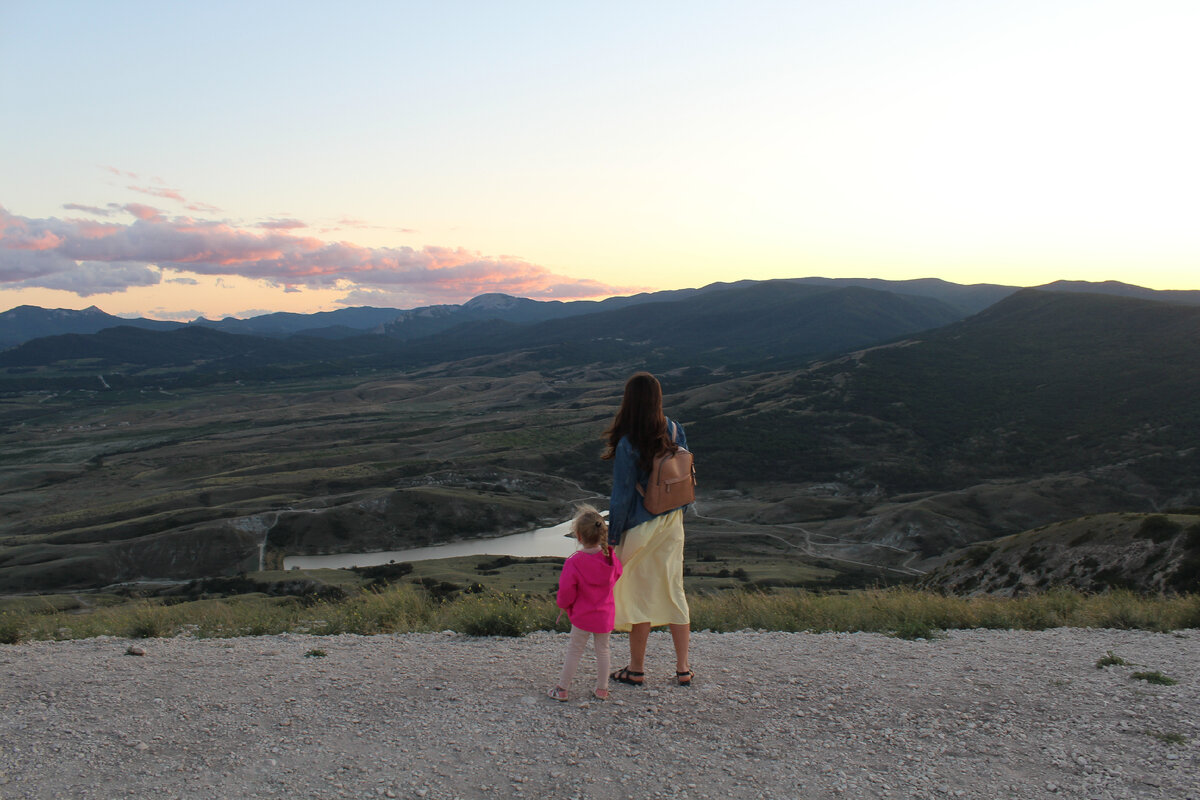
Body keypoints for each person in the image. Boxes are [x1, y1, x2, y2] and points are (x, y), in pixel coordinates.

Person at [603, 371, 694, 687]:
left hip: (641, 526)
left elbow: (623, 495)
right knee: (673, 589)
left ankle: (636, 669)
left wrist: (612, 538)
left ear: (629, 401)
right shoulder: (673, 428)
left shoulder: (629, 441)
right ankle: (683, 668)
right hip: (672, 523)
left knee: (638, 594)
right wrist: (677, 512)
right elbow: (681, 476)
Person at [548, 504, 623, 702]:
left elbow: (566, 592)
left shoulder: (574, 562)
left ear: (579, 537)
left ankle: (562, 689)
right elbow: (618, 575)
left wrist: (564, 605)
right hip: (605, 615)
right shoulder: (611, 558)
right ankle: (602, 689)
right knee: (603, 650)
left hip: (582, 616)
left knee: (575, 650)